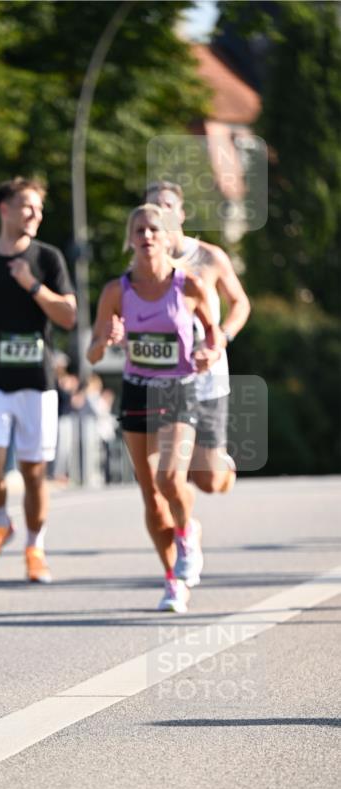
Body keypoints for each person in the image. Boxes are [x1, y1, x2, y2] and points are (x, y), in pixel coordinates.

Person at [87, 204, 222, 613]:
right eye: (139, 230)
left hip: (178, 390)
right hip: (137, 390)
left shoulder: (190, 285)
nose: (146, 236)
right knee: (150, 496)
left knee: (169, 477)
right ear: (131, 239)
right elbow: (92, 355)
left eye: (153, 230)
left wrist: (207, 353)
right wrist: (107, 339)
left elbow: (214, 335)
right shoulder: (116, 290)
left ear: (167, 238)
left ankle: (187, 532)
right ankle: (172, 581)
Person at [0, 177, 77, 583]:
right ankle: (0, 522)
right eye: (28, 206)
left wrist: (32, 285)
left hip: (36, 382)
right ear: (4, 208)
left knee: (33, 472)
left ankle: (35, 548)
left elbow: (68, 316)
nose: (35, 215)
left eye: (39, 209)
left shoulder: (48, 258)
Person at [145, 181, 251, 493]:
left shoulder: (208, 256)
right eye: (153, 206)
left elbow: (240, 303)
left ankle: (221, 465)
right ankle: (182, 529)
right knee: (167, 472)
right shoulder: (145, 263)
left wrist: (221, 340)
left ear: (181, 213)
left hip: (207, 373)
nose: (160, 211)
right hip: (164, 376)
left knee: (208, 480)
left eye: (166, 205)